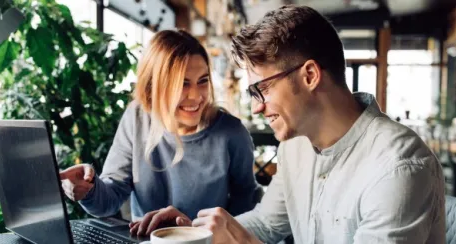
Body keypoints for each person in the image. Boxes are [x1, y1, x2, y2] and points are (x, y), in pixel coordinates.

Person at [144, 5, 446, 244]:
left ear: (310, 75)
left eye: (261, 89)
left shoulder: (398, 167)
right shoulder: (295, 145)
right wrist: (193, 232)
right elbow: (266, 224)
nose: (257, 107)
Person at [59, 30, 259, 237]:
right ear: (154, 86)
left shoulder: (232, 133)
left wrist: (196, 232)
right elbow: (108, 200)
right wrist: (89, 189)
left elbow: (246, 214)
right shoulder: (136, 117)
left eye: (203, 81)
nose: (196, 96)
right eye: (182, 83)